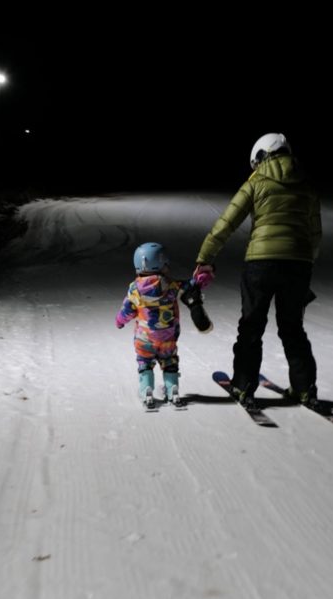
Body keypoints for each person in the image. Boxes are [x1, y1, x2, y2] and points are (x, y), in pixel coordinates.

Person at [194, 133, 321, 408]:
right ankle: (305, 389)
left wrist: (205, 258)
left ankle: (243, 386)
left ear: (262, 156)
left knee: (251, 326)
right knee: (293, 328)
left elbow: (226, 223)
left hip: (261, 263)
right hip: (298, 265)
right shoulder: (306, 184)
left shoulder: (256, 181)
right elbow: (315, 233)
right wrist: (306, 262)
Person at [116, 242, 213, 408]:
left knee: (145, 362)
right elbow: (189, 285)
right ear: (161, 265)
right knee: (169, 362)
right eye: (166, 264)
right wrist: (198, 280)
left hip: (144, 339)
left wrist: (119, 321)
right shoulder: (172, 286)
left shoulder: (134, 290)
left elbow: (127, 310)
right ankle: (172, 389)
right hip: (168, 337)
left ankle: (147, 389)